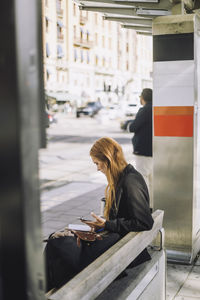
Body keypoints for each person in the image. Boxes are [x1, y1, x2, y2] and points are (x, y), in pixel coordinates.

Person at [44, 137, 154, 291]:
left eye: (97, 163)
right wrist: (101, 225)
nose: (97, 168)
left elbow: (145, 223)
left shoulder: (130, 181)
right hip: (118, 241)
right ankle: (54, 289)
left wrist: (107, 224)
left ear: (108, 159)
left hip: (119, 247)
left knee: (56, 245)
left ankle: (50, 290)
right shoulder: (125, 176)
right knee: (58, 242)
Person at [128, 88, 153, 209]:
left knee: (143, 177)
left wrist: (128, 125)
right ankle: (152, 204)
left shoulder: (145, 110)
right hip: (153, 149)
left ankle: (145, 206)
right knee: (151, 178)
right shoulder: (156, 108)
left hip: (143, 150)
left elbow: (133, 127)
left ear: (142, 98)